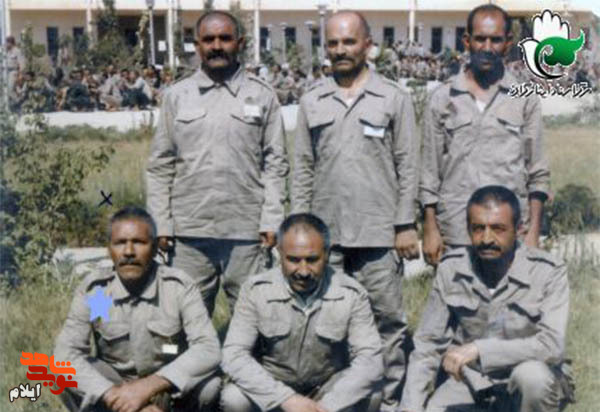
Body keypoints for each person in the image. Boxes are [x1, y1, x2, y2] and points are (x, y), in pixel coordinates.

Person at [291, 11, 419, 411]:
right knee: (328, 321)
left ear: (368, 45)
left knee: (387, 322)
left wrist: (405, 224)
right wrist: (299, 229)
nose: (340, 50)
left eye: (349, 42)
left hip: (378, 234)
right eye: (333, 43)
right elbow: (302, 167)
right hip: (326, 237)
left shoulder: (393, 98)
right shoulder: (312, 99)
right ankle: (337, 401)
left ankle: (390, 400)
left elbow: (408, 165)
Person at [146, 11, 288, 316]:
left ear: (240, 42)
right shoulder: (177, 96)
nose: (216, 46)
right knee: (184, 320)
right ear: (197, 45)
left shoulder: (262, 96)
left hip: (246, 231)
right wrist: (161, 222)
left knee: (255, 318)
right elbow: (160, 166)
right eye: (208, 39)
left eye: (225, 38)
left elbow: (276, 164)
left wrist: (272, 218)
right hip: (190, 232)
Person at [400, 185, 574, 412]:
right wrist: (409, 408)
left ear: (518, 229)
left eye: (498, 229)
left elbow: (552, 346)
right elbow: (428, 346)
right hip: (472, 380)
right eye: (478, 228)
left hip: (524, 379)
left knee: (533, 378)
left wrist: (480, 350)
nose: (486, 238)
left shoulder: (548, 271)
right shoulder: (451, 268)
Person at [54, 207, 221, 412]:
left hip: (168, 388)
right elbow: (65, 354)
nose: (129, 252)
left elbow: (208, 348)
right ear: (109, 249)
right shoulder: (98, 293)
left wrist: (146, 388)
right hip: (117, 390)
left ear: (155, 247)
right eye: (120, 243)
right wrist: (115, 396)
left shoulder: (177, 287)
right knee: (62, 373)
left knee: (210, 387)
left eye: (139, 242)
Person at [420, 4, 550, 266]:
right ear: (467, 41)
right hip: (456, 230)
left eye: (496, 39)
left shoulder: (524, 99)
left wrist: (533, 232)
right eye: (480, 39)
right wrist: (430, 228)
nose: (487, 47)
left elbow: (537, 172)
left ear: (508, 43)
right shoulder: (443, 98)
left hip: (510, 231)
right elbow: (428, 172)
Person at [221, 213, 384, 412]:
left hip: (326, 393)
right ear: (279, 253)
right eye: (294, 260)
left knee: (372, 394)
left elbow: (370, 360)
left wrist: (327, 406)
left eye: (312, 260)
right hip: (273, 392)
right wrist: (286, 399)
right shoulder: (255, 291)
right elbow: (234, 355)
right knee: (234, 398)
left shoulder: (352, 293)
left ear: (327, 254)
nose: (303, 271)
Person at [5, 36, 25, 105]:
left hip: (14, 72)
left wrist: (20, 74)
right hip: (6, 72)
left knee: (9, 89)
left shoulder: (17, 51)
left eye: (7, 43)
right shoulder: (7, 51)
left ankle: (19, 101)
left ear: (11, 43)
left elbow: (22, 63)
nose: (6, 44)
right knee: (6, 89)